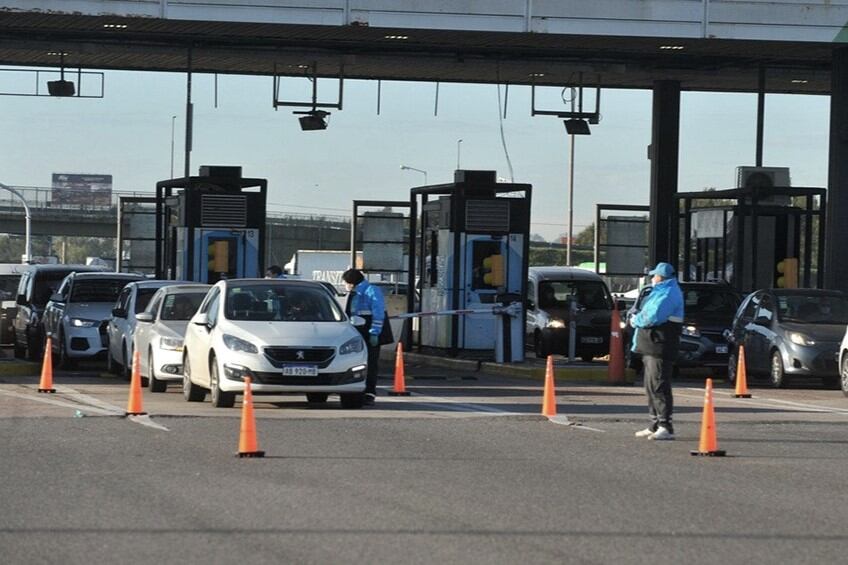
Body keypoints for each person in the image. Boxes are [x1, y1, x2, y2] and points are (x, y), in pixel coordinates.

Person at [630, 262, 684, 441]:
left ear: (662, 277)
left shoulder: (668, 293)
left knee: (659, 386)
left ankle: (665, 426)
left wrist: (635, 320)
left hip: (660, 346)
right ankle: (654, 424)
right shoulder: (659, 292)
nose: (652, 278)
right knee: (650, 386)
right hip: (651, 346)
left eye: (655, 276)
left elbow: (653, 316)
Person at [342, 269, 386, 406]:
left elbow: (378, 312)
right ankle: (357, 389)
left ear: (351, 282)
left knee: (371, 362)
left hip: (368, 330)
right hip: (355, 331)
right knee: (355, 362)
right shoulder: (354, 293)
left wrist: (375, 332)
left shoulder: (371, 291)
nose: (345, 285)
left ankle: (369, 392)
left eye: (346, 282)